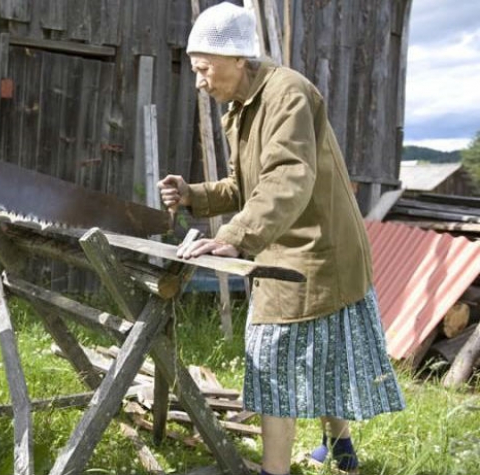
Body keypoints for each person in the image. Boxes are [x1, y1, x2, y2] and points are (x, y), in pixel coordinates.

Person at [157, 3, 405, 475]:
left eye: (203, 69)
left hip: (317, 248)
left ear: (237, 59)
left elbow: (289, 177)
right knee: (323, 352)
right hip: (285, 243)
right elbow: (244, 185)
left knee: (272, 366)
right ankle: (342, 449)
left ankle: (276, 471)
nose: (199, 81)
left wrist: (235, 236)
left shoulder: (288, 94)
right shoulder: (241, 108)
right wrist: (193, 195)